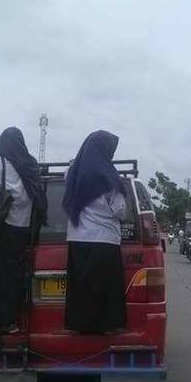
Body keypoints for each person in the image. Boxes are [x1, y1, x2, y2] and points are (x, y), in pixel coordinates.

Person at [0, 127, 46, 334]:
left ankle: (4, 322)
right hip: (27, 230)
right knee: (18, 274)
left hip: (6, 228)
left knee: (0, 273)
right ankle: (18, 317)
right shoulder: (31, 164)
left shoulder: (1, 162)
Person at [62, 130, 127, 333]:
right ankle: (105, 327)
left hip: (77, 239)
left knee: (81, 286)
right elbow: (121, 211)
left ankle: (81, 327)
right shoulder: (109, 178)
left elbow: (70, 171)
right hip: (105, 240)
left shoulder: (72, 175)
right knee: (105, 289)